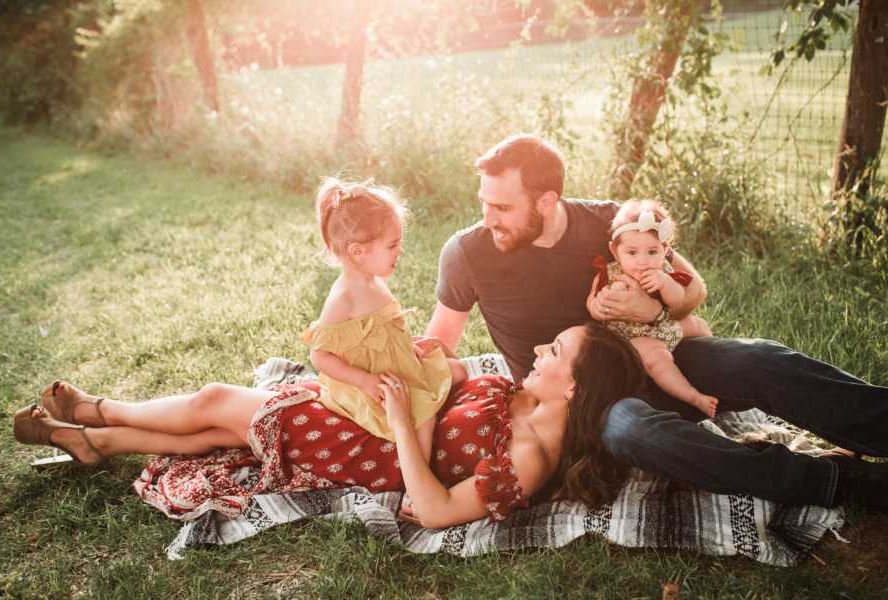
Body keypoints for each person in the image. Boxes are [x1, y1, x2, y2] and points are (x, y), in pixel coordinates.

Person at [425, 133, 888, 512]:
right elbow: (441, 343)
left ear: (546, 201)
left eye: (502, 208)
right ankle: (836, 481)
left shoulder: (612, 223)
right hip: (576, 404)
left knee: (757, 358)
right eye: (484, 203)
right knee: (631, 429)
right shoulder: (467, 253)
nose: (488, 220)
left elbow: (695, 288)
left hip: (655, 355)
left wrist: (654, 312)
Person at [13, 323, 645, 528]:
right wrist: (437, 364)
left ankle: (97, 412)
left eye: (554, 354)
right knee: (218, 431)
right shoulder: (525, 397)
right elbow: (456, 386)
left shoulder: (531, 457)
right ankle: (94, 442)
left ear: (576, 388)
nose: (539, 353)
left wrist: (399, 419)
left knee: (214, 404)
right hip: (374, 416)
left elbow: (430, 509)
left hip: (373, 446)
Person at [303, 177, 467, 464]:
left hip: (399, 364)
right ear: (358, 252)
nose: (399, 252)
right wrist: (364, 380)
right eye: (392, 246)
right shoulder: (343, 298)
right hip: (375, 382)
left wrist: (408, 347)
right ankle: (416, 482)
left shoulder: (373, 280)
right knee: (423, 415)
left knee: (458, 370)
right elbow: (319, 356)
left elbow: (384, 329)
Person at [589, 199, 717, 417]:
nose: (642, 261)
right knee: (657, 359)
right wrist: (596, 308)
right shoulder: (608, 274)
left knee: (698, 325)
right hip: (631, 338)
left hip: (666, 325)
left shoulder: (665, 271)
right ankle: (693, 396)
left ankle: (715, 365)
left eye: (652, 252)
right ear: (614, 250)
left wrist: (665, 283)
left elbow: (678, 300)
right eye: (632, 253)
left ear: (665, 250)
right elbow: (592, 299)